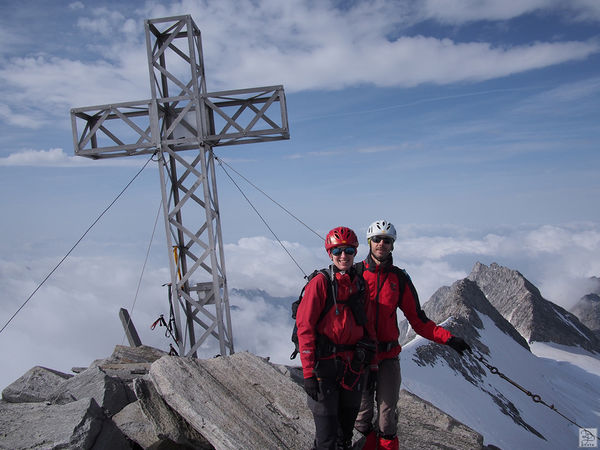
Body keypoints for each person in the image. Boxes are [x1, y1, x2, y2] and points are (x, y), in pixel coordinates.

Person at [354, 220, 471, 450]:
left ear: (392, 245)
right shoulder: (356, 274)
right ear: (369, 242)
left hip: (387, 357)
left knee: (387, 419)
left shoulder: (399, 279)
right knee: (361, 417)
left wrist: (448, 338)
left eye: (386, 240)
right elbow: (332, 300)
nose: (381, 244)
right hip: (360, 357)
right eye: (377, 239)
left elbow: (418, 320)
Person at [296, 226, 377, 450]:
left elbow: (368, 327)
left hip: (353, 367)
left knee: (344, 436)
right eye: (338, 251)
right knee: (327, 438)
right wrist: (308, 373)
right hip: (324, 369)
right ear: (330, 253)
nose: (344, 256)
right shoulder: (320, 283)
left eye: (349, 251)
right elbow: (305, 328)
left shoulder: (360, 285)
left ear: (355, 253)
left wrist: (373, 365)